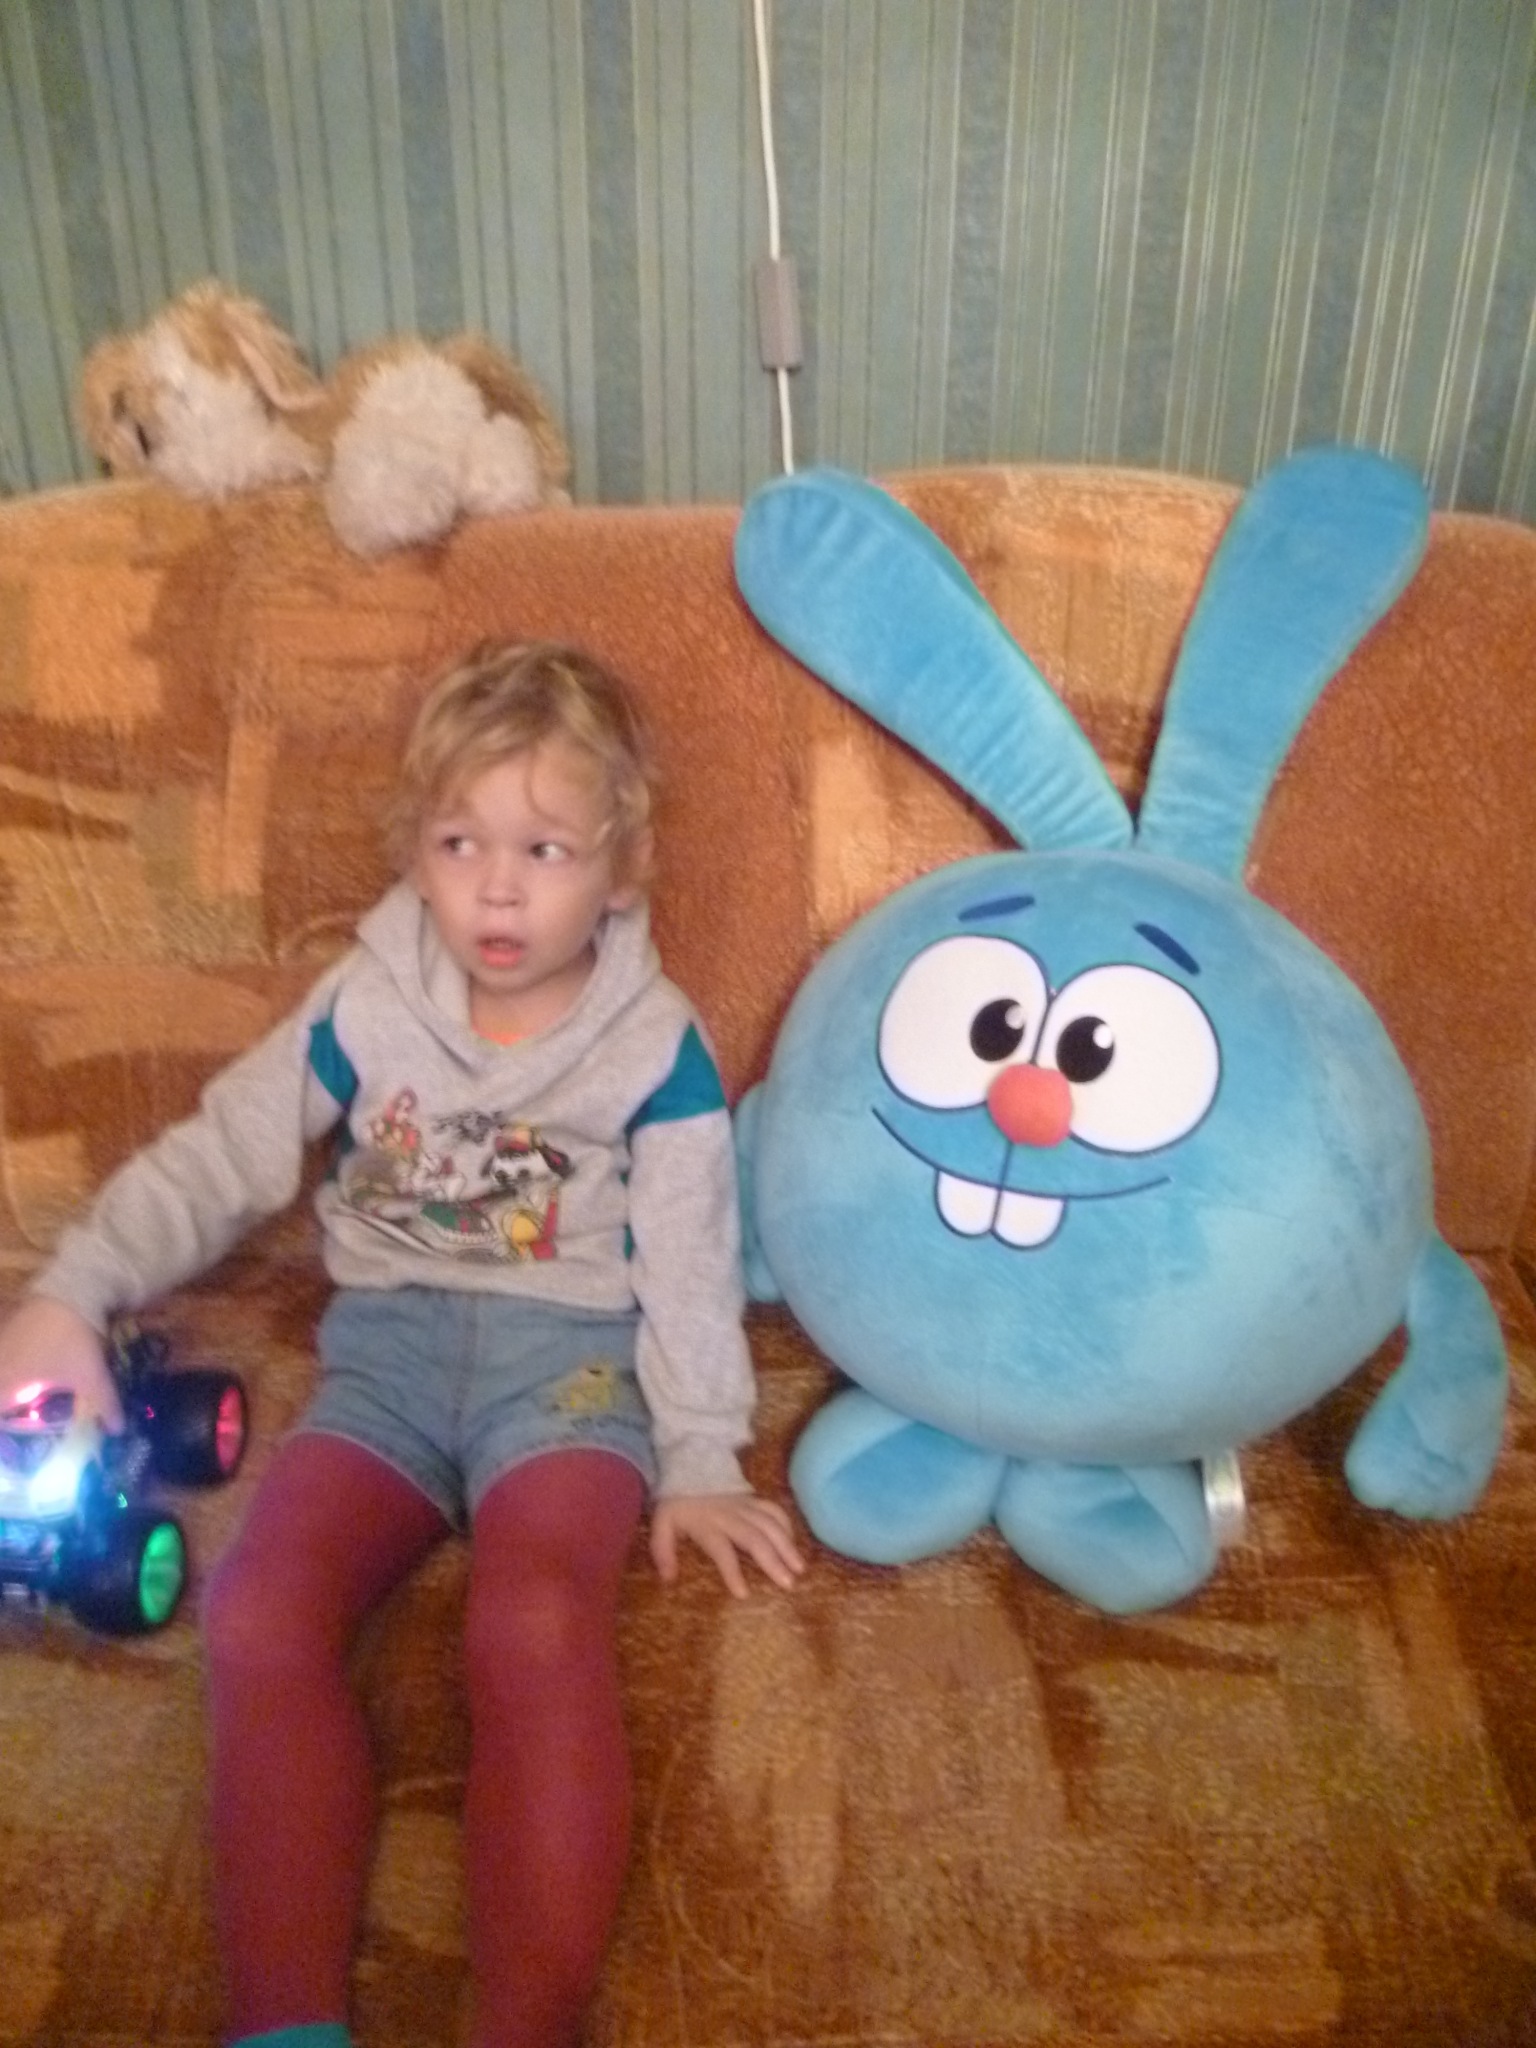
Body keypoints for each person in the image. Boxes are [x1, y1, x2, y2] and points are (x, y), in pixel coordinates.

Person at [0, 639, 804, 2048]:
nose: (496, 889)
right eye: (459, 843)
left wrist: (699, 1454)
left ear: (622, 869)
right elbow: (225, 1155)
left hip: (569, 1373)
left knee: (532, 1620)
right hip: (383, 1366)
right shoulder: (364, 1002)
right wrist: (73, 1289)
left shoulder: (655, 1045)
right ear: (416, 850)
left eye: (544, 849)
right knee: (256, 1613)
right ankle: (285, 2025)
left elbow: (687, 1260)